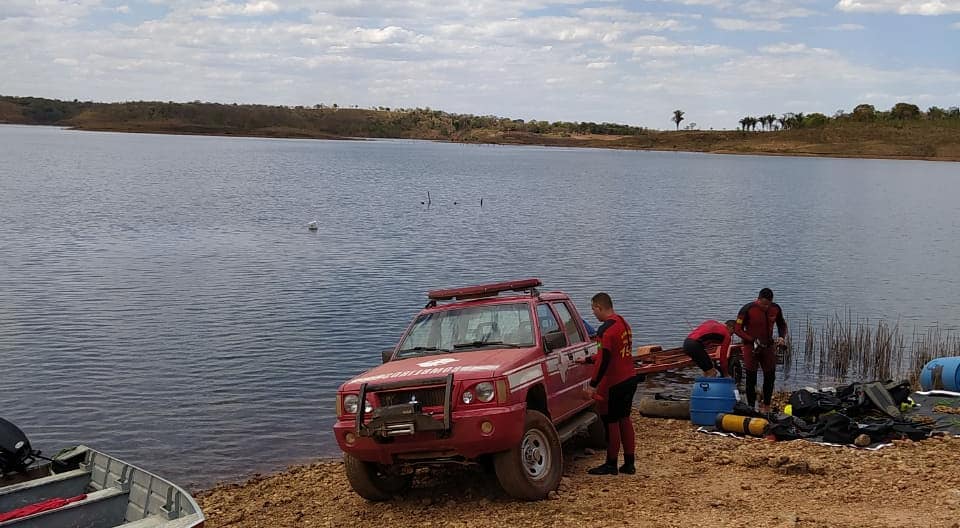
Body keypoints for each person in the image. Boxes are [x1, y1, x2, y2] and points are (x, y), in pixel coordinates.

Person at [578, 292, 638, 476]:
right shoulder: (623, 323)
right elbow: (612, 353)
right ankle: (629, 463)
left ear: (598, 307)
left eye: (593, 309)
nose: (593, 313)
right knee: (625, 419)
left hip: (615, 383)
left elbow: (604, 360)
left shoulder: (605, 330)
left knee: (611, 422)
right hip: (630, 379)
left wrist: (593, 385)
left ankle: (611, 464)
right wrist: (588, 359)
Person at [734, 288, 788, 413]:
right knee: (751, 377)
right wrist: (752, 339)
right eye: (763, 304)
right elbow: (737, 329)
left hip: (768, 347)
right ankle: (751, 407)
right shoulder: (747, 309)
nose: (765, 307)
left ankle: (766, 405)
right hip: (750, 347)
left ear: (771, 301)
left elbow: (781, 324)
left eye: (768, 304)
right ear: (758, 299)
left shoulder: (775, 308)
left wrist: (781, 337)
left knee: (770, 376)